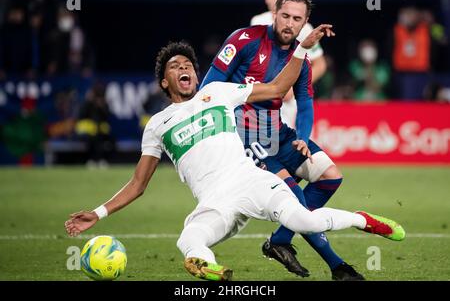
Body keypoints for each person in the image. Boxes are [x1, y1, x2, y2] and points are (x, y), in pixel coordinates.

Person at [65, 40, 405, 282]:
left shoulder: (218, 94)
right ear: (163, 82)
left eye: (188, 65)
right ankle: (210, 268)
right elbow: (139, 184)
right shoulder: (157, 126)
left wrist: (301, 50)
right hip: (214, 200)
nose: (184, 68)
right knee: (188, 239)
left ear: (196, 76)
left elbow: (275, 88)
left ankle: (364, 221)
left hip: (250, 180)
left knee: (306, 221)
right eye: (175, 66)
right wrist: (97, 213)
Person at [200, 0, 363, 280]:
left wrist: (302, 135)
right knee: (294, 195)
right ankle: (338, 267)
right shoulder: (244, 40)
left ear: (305, 23)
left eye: (296, 19)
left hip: (277, 131)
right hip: (244, 136)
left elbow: (306, 102)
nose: (289, 23)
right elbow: (208, 90)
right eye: (284, 15)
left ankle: (280, 240)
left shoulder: (301, 61)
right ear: (274, 14)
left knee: (331, 176)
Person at [250, 0, 327, 129]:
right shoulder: (257, 22)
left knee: (291, 145)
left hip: (290, 103)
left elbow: (320, 65)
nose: (275, 1)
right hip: (262, 98)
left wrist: (294, 87)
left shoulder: (304, 28)